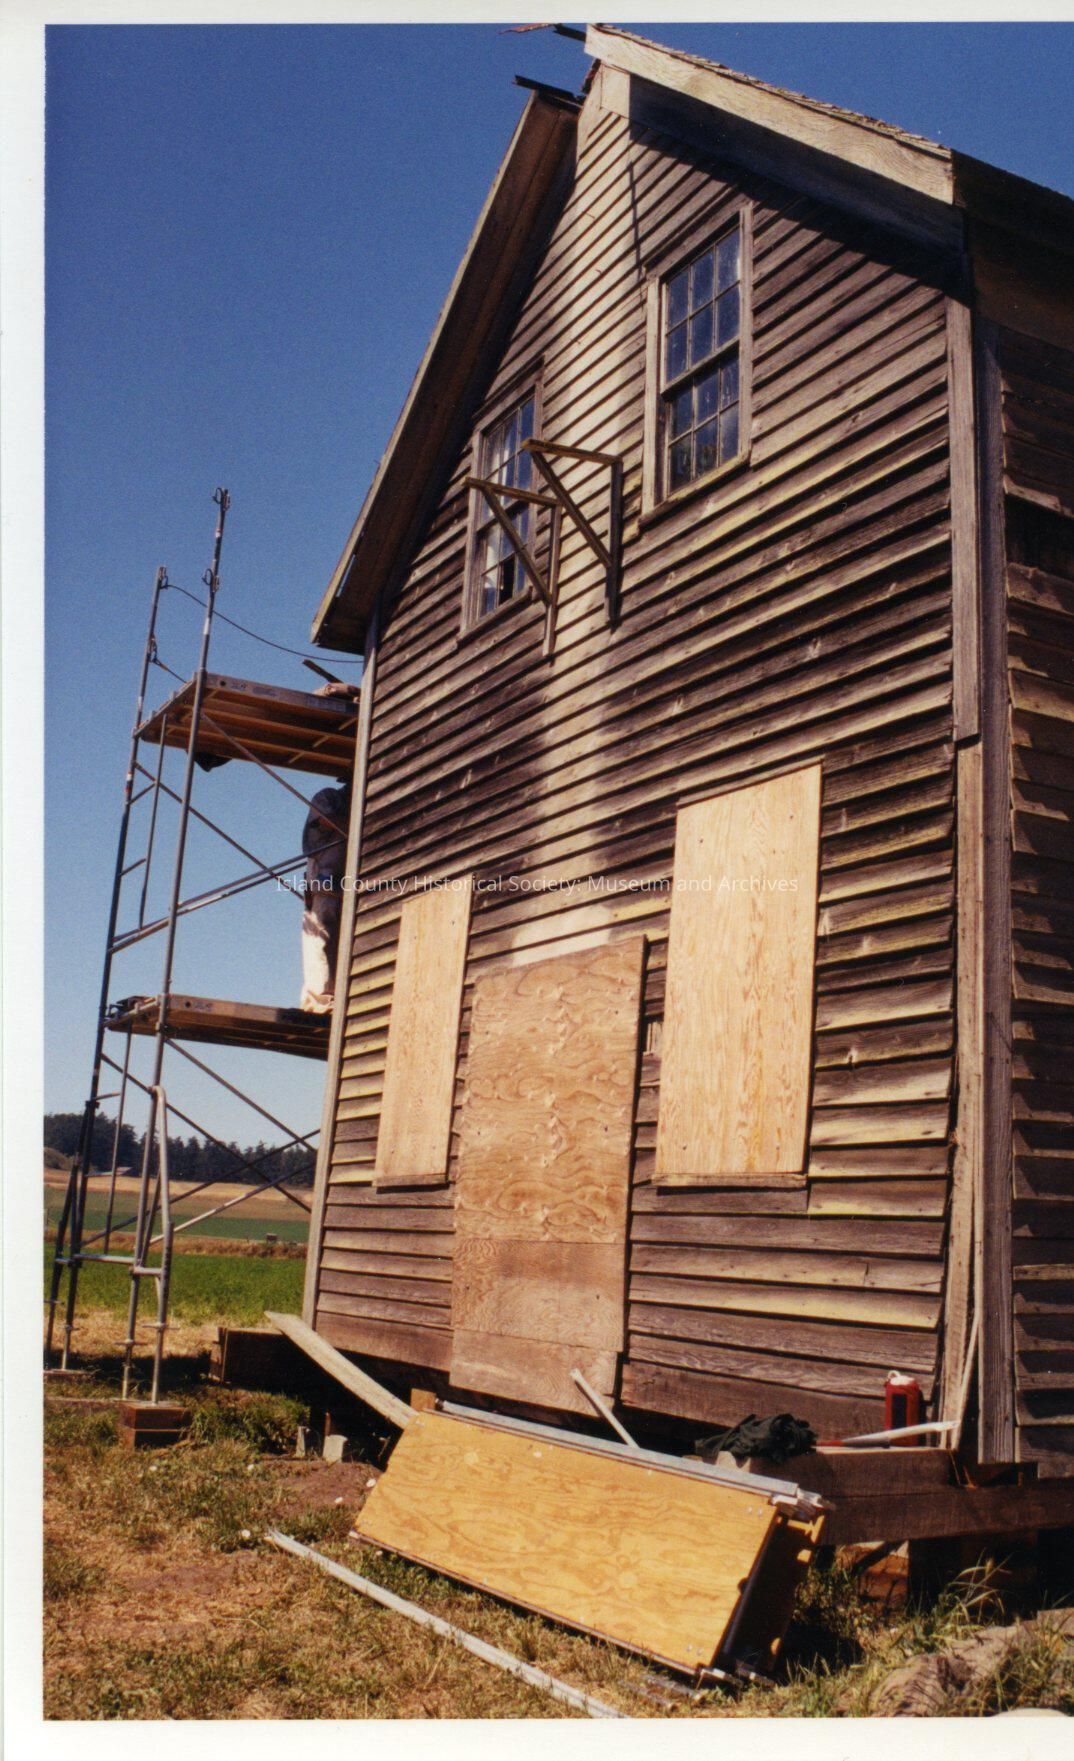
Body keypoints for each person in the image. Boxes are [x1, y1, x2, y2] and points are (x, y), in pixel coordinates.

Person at [300, 778, 350, 1012]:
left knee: (337, 940)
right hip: (324, 880)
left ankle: (333, 997)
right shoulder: (329, 797)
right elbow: (326, 820)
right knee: (320, 936)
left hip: (343, 883)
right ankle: (320, 1001)